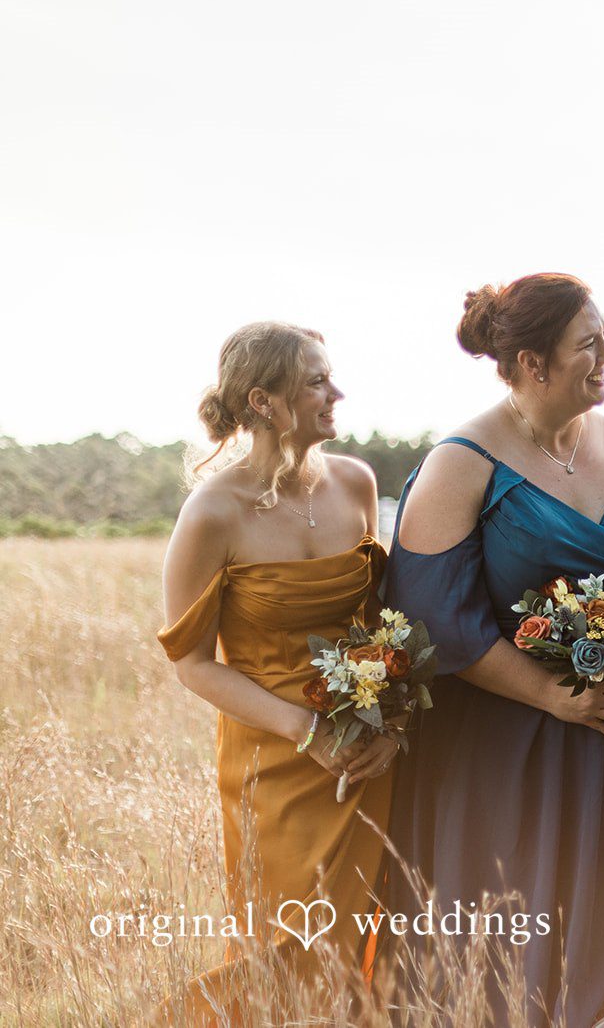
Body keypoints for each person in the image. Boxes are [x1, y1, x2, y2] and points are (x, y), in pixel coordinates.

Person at [382, 273, 604, 1026]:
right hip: (513, 745)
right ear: (530, 362)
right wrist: (554, 694)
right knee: (518, 951)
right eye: (589, 342)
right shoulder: (463, 463)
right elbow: (434, 623)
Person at [158, 322, 392, 1021]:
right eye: (316, 380)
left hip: (363, 753)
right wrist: (306, 727)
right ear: (264, 400)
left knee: (366, 941)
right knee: (283, 941)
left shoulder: (356, 482)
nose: (336, 392)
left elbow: (380, 625)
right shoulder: (211, 513)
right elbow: (194, 664)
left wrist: (389, 724)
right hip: (276, 753)